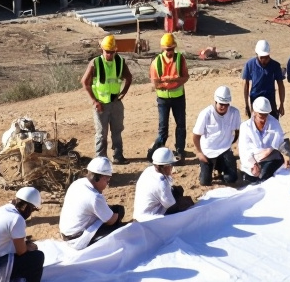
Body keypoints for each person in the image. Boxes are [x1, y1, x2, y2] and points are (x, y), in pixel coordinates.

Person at [81, 34, 132, 163]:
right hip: (101, 105)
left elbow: (129, 77)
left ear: (115, 51)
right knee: (101, 133)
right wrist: (94, 101)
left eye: (112, 52)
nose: (109, 54)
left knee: (117, 131)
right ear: (101, 50)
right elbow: (84, 82)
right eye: (107, 52)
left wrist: (123, 93)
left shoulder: (120, 62)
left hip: (115, 103)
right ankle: (100, 159)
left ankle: (118, 156)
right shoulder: (96, 63)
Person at [59, 157, 125, 247]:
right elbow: (111, 221)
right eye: (107, 180)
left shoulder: (77, 183)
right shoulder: (94, 197)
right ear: (98, 178)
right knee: (119, 220)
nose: (107, 184)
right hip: (77, 239)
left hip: (66, 232)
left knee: (112, 211)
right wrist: (117, 214)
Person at [148, 33, 189, 160]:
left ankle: (180, 150)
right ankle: (157, 152)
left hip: (178, 97)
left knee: (181, 125)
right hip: (163, 99)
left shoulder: (180, 59)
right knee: (163, 127)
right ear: (163, 49)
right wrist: (172, 81)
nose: (170, 52)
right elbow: (156, 83)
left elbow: (185, 77)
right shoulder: (157, 62)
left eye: (171, 49)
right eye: (167, 49)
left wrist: (166, 81)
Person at [191, 85, 242, 187]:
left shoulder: (234, 113)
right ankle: (207, 169)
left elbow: (237, 131)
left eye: (226, 104)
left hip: (224, 150)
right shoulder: (206, 114)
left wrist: (231, 143)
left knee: (231, 178)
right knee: (205, 182)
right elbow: (195, 136)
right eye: (221, 104)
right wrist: (200, 153)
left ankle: (220, 168)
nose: (223, 106)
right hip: (208, 152)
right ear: (215, 102)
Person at [236, 97, 290, 184]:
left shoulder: (274, 122)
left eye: (266, 115)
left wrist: (287, 155)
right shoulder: (245, 126)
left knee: (265, 177)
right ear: (254, 112)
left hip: (270, 157)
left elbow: (280, 141)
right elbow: (244, 150)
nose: (263, 118)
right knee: (252, 178)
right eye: (261, 115)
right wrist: (253, 164)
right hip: (253, 159)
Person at [133, 148, 194, 221]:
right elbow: (172, 206)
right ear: (166, 166)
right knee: (187, 203)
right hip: (149, 219)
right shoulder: (161, 183)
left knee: (178, 190)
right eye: (171, 165)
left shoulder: (149, 170)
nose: (172, 167)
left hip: (139, 215)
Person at [241, 39, 285, 117]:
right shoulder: (250, 64)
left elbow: (280, 85)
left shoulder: (275, 65)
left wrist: (282, 104)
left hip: (270, 99)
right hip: (255, 98)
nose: (264, 60)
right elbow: (245, 84)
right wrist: (247, 104)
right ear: (257, 54)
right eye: (262, 57)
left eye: (266, 57)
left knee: (272, 124)